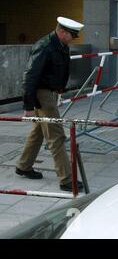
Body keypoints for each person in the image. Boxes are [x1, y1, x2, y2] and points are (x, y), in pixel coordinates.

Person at [16, 17, 84, 192]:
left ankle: (24, 165)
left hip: (49, 91)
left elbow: (60, 69)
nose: (73, 39)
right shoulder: (45, 46)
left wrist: (60, 87)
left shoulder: (60, 44)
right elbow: (30, 76)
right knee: (56, 135)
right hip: (42, 93)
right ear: (61, 32)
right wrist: (28, 106)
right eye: (72, 35)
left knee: (38, 131)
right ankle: (67, 180)